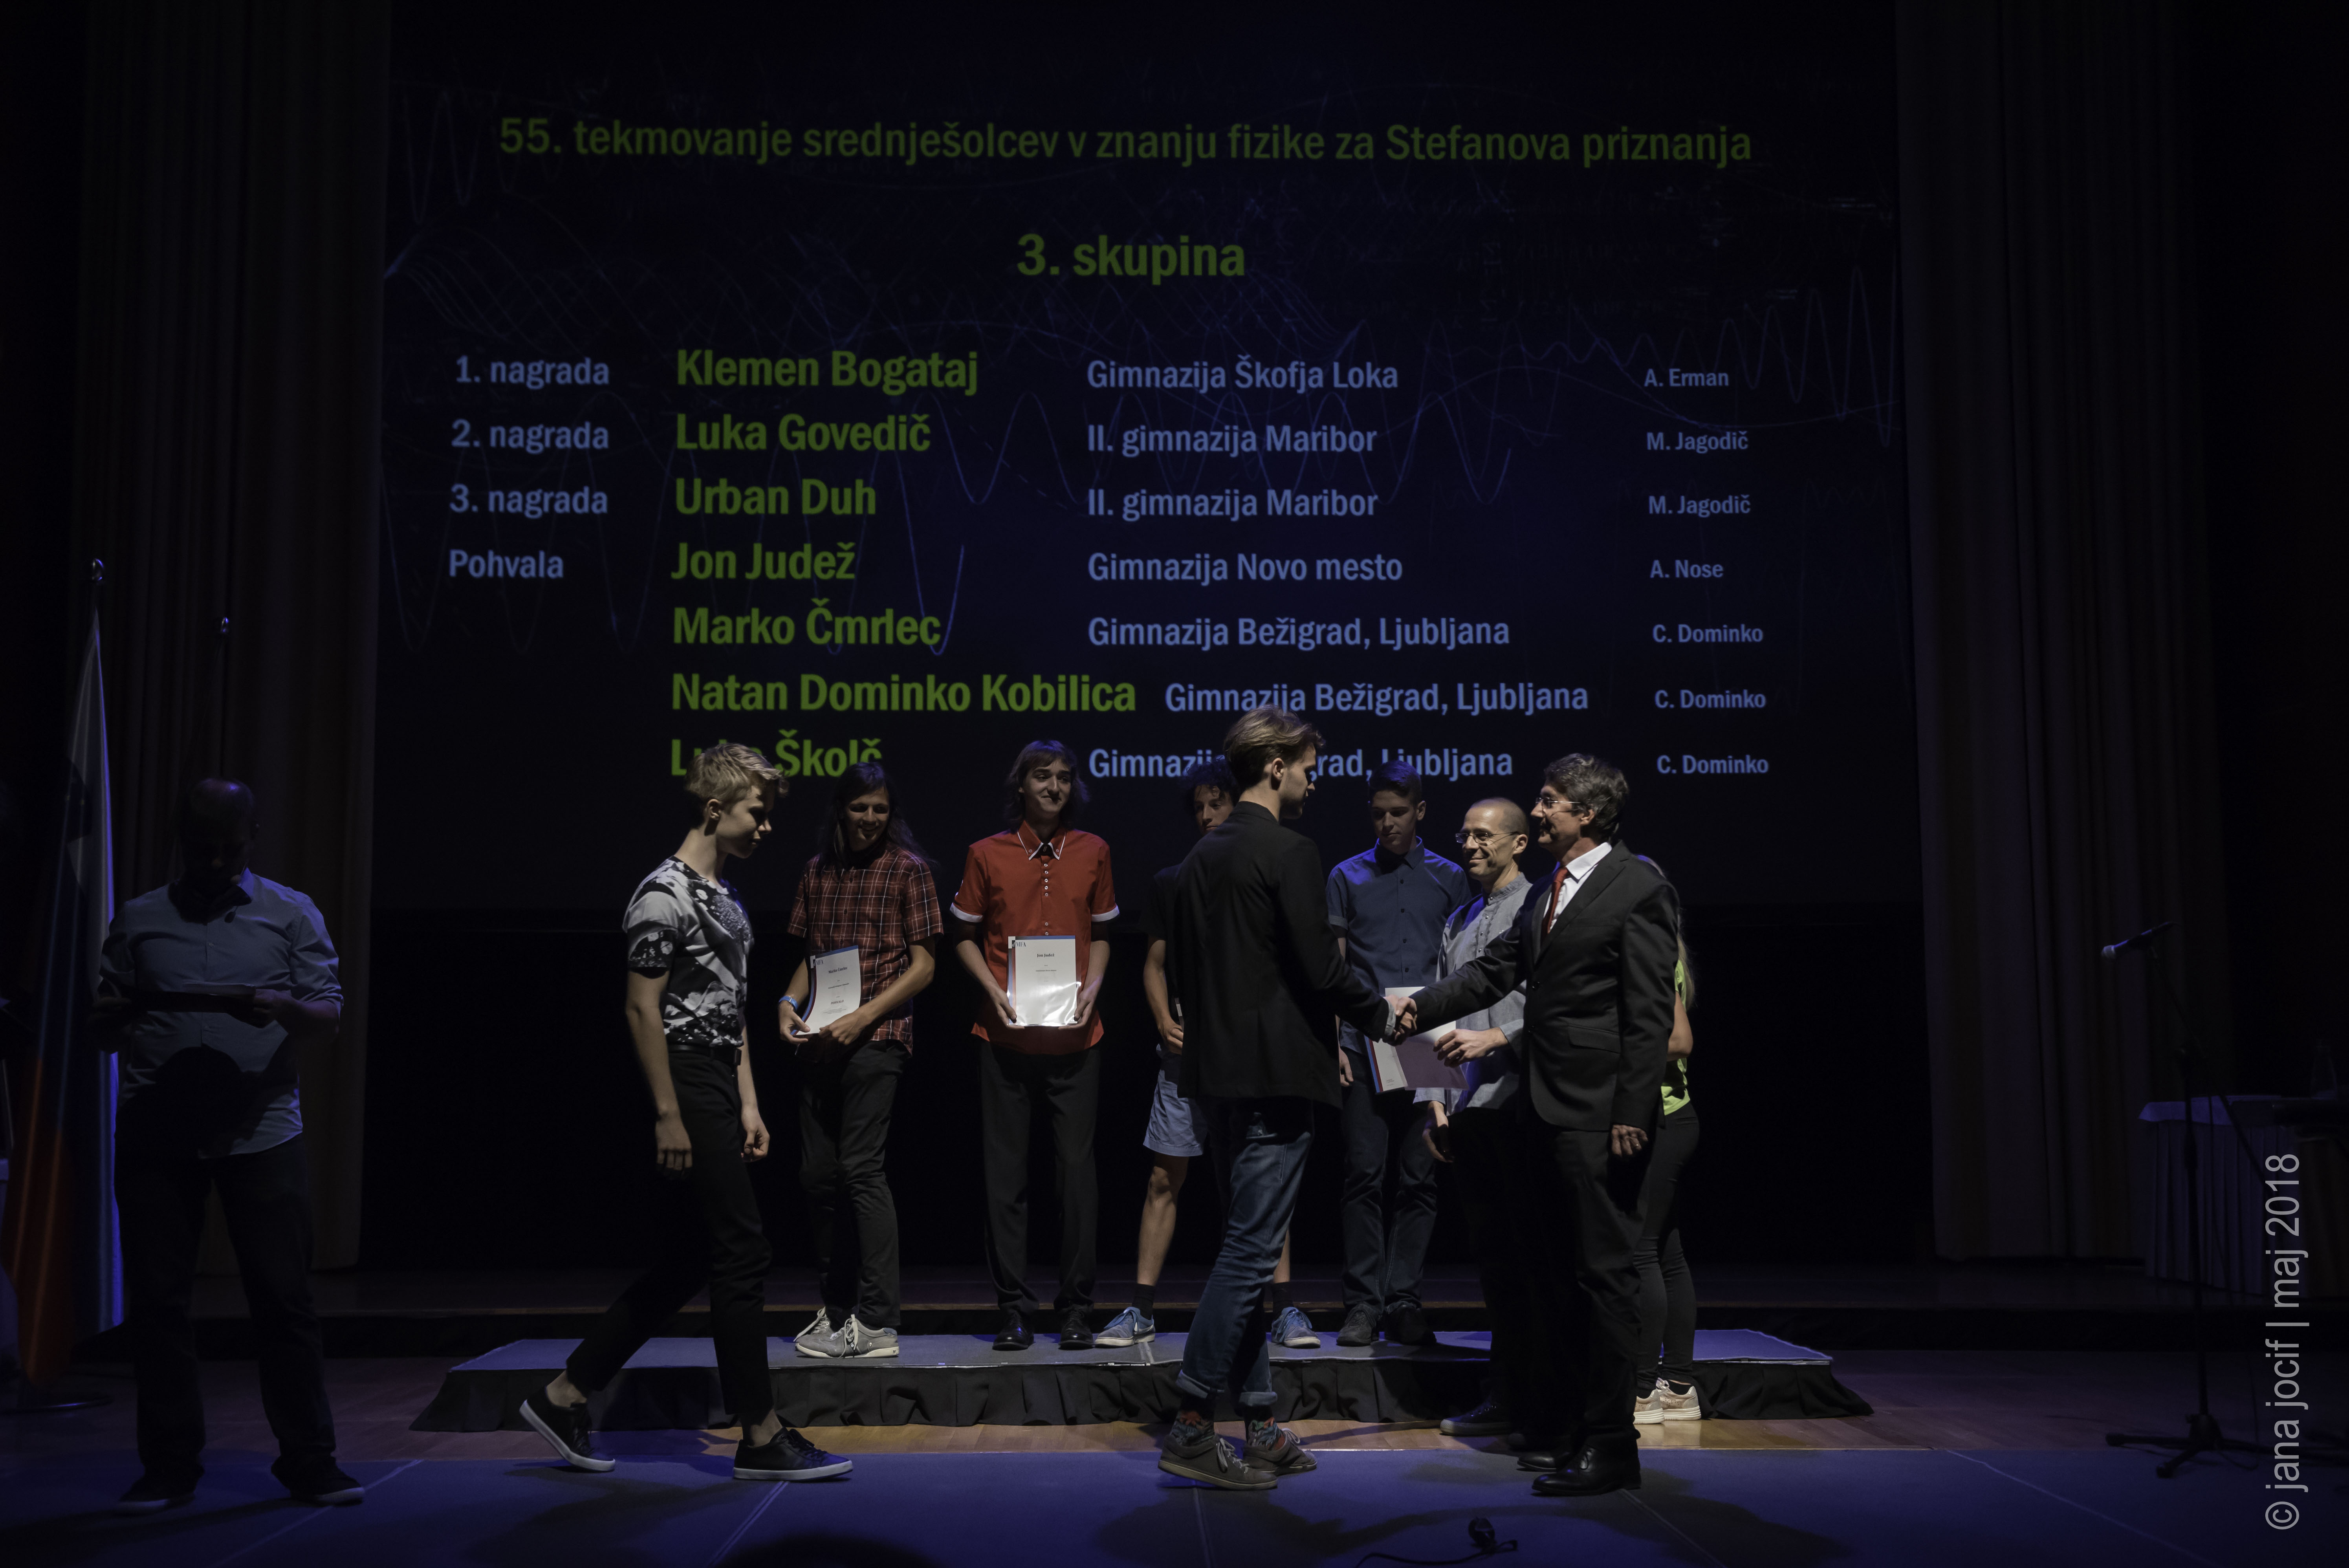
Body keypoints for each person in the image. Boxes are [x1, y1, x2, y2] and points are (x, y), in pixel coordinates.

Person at [519, 744, 851, 1482]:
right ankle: (760, 1433)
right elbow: (642, 1008)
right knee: (743, 1250)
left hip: (718, 1081)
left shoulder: (725, 896)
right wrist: (669, 1113)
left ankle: (564, 1393)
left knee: (692, 1259)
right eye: (758, 813)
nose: (767, 827)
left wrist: (751, 1102)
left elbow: (731, 1008)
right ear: (714, 809)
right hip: (685, 1077)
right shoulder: (662, 893)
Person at [1398, 753, 1677, 1498]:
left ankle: (1612, 1444)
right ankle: (1573, 1428)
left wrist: (1631, 1112)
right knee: (1559, 1277)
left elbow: (1649, 1013)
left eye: (1550, 801)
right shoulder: (1551, 889)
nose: (1540, 810)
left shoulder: (1638, 887)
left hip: (1599, 1114)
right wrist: (1417, 1009)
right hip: (1546, 1111)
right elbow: (1495, 971)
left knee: (1605, 1278)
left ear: (1588, 814)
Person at [90, 779, 358, 1513]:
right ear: (182, 841)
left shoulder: (291, 912)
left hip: (261, 1132)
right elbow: (105, 1024)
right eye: (201, 848)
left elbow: (328, 1019)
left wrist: (283, 1007)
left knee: (283, 1301)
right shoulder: (140, 917)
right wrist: (112, 1016)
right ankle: (168, 1466)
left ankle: (311, 1462)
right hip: (158, 1134)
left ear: (252, 838)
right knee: (160, 1305)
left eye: (229, 849)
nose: (215, 862)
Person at [1158, 707, 1393, 1491]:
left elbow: (1189, 977)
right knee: (1251, 1253)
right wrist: (1386, 1017)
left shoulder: (1199, 856)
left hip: (1217, 1079)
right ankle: (1192, 1423)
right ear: (1274, 766)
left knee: (1245, 1249)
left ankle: (1258, 1423)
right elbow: (1321, 971)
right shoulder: (1291, 851)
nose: (1313, 780)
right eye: (1308, 766)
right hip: (1276, 1078)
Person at [1099, 760, 1316, 1352]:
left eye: (1215, 802)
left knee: (1262, 1183)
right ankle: (1141, 1308)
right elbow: (1153, 964)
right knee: (1163, 1177)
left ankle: (1284, 1308)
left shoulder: (1265, 867)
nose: (1205, 815)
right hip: (1186, 1056)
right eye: (1197, 807)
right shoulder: (1174, 879)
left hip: (1247, 1054)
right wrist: (1164, 1020)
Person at [951, 740, 1118, 1352]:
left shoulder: (1094, 850)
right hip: (1005, 1038)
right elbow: (962, 934)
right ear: (1020, 785)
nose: (1055, 787)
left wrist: (1094, 986)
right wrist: (992, 989)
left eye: (1065, 778)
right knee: (1006, 1180)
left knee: (1077, 1179)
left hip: (1077, 1038)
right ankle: (1013, 1311)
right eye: (1043, 776)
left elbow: (1104, 933)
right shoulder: (986, 853)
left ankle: (1076, 1310)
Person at [780, 763, 942, 1361]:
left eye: (880, 808)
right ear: (841, 811)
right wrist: (786, 1002)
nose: (870, 818)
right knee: (817, 1176)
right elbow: (811, 959)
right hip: (822, 1038)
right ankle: (836, 1310)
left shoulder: (909, 870)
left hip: (879, 1036)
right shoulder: (816, 872)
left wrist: (864, 1016)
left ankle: (877, 1321)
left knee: (861, 1170)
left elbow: (925, 967)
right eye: (860, 808)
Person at [1327, 761, 1470, 1346]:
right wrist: (1336, 1040)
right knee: (1363, 1174)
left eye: (1399, 813)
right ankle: (1364, 1303)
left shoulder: (1451, 878)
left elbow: (1462, 967)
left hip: (1429, 1041)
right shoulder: (1346, 875)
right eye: (1379, 814)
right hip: (1364, 1043)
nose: (1387, 823)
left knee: (1419, 1177)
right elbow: (1335, 969)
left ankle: (1404, 1298)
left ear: (1420, 812)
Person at [1417, 798, 1537, 1441]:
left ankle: (1537, 1396)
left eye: (1484, 836)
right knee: (1493, 1261)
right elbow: (1438, 1008)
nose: (1469, 845)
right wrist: (1434, 1102)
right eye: (1464, 836)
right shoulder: (1459, 918)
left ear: (1519, 843)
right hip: (1468, 1111)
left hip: (1522, 1104)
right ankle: (1506, 1393)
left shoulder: (1538, 909)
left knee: (1529, 1260)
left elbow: (1563, 1002)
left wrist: (1500, 1037)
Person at [1633, 925, 1700, 1425]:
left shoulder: (1651, 957)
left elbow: (1679, 1040)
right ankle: (1677, 1385)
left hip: (1660, 1117)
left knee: (1640, 1249)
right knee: (1665, 1250)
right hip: (1673, 1116)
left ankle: (1640, 1390)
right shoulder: (1658, 953)